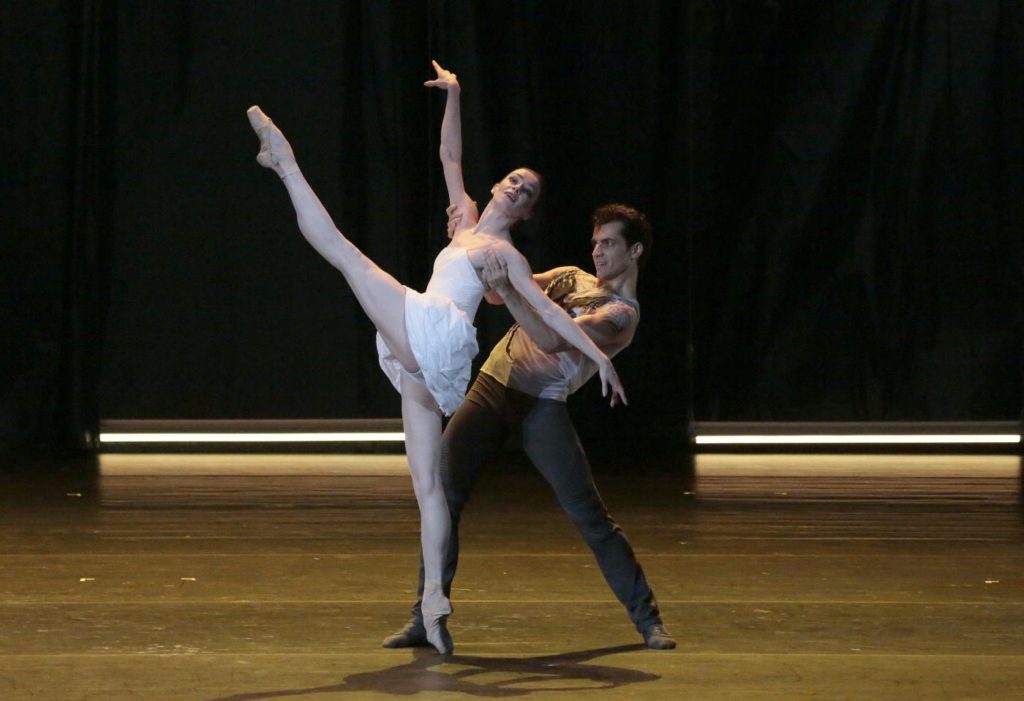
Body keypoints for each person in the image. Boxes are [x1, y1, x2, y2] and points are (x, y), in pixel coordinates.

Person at [246, 60, 626, 654]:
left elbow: (551, 315)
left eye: (527, 191)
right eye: (513, 180)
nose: (517, 188)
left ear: (526, 213)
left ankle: (284, 161)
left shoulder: (503, 251)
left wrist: (598, 358)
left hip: (432, 331)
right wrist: (455, 94)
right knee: (428, 489)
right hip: (427, 361)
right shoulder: (468, 223)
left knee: (345, 255)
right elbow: (450, 159)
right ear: (499, 185)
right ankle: (434, 610)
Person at [382, 203, 677, 651]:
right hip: (491, 388)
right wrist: (470, 235)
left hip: (542, 406)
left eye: (609, 243)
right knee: (442, 497)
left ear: (634, 251)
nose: (597, 251)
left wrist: (509, 289)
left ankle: (648, 620)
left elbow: (552, 337)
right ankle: (425, 616)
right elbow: (500, 293)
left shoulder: (622, 315)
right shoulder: (569, 277)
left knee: (590, 516)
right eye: (595, 242)